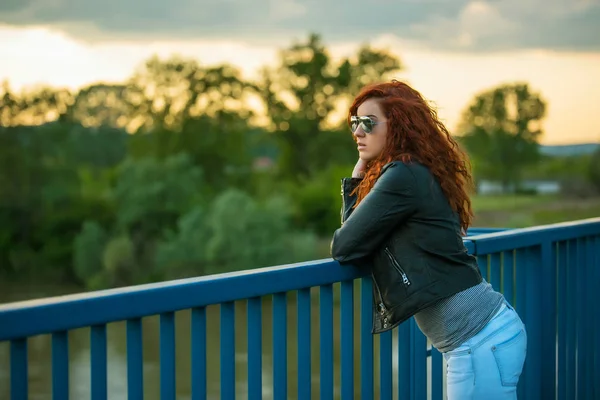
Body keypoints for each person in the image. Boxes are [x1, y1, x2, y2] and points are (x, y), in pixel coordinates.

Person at [330, 80, 527, 399]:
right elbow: (354, 241)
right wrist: (358, 177)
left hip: (478, 341)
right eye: (354, 122)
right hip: (480, 337)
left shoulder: (403, 175)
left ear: (398, 126)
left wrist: (354, 181)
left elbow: (343, 245)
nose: (358, 132)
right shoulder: (414, 171)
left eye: (368, 122)